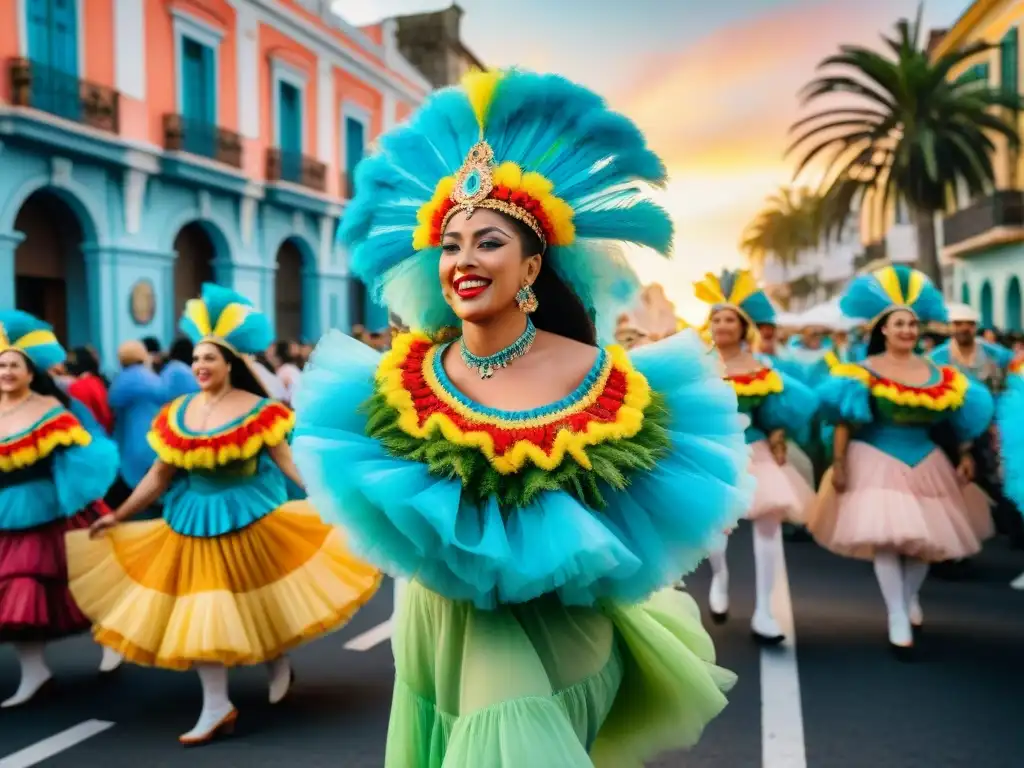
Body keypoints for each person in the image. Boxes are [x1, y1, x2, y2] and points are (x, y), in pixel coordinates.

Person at [292, 68, 752, 766]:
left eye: (488, 243)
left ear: (533, 267)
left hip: (556, 635)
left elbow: (633, 523)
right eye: (451, 244)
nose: (464, 261)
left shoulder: (605, 381)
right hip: (440, 628)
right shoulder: (401, 381)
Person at [65, 284, 381, 745]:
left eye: (209, 358)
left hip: (248, 519)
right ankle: (217, 704)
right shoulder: (177, 413)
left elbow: (289, 465)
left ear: (230, 363)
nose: (199, 366)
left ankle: (278, 664)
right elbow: (157, 477)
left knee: (259, 604)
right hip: (190, 523)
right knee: (205, 610)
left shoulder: (260, 411)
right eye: (195, 359)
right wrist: (118, 514)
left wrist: (330, 499)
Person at [808, 266, 993, 657]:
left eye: (912, 324)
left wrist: (963, 455)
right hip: (875, 456)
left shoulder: (940, 374)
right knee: (889, 542)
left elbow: (958, 420)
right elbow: (844, 420)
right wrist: (838, 463)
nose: (907, 330)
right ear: (884, 331)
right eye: (899, 324)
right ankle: (895, 613)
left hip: (927, 459)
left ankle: (909, 597)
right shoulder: (862, 372)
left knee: (925, 541)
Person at [0, 311, 120, 706]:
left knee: (77, 583)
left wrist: (76, 496)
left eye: (13, 365)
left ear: (31, 371)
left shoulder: (51, 408)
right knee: (15, 595)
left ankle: (111, 634)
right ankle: (35, 672)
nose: (5, 371)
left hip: (49, 509)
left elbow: (82, 454)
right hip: (5, 513)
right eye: (0, 365)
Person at [695, 269, 817, 643]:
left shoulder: (764, 369)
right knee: (714, 530)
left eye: (730, 319)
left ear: (743, 327)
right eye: (716, 318)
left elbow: (774, 412)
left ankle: (764, 611)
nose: (722, 324)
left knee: (768, 527)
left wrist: (779, 435)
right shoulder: (696, 364)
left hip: (757, 451)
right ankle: (720, 577)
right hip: (713, 455)